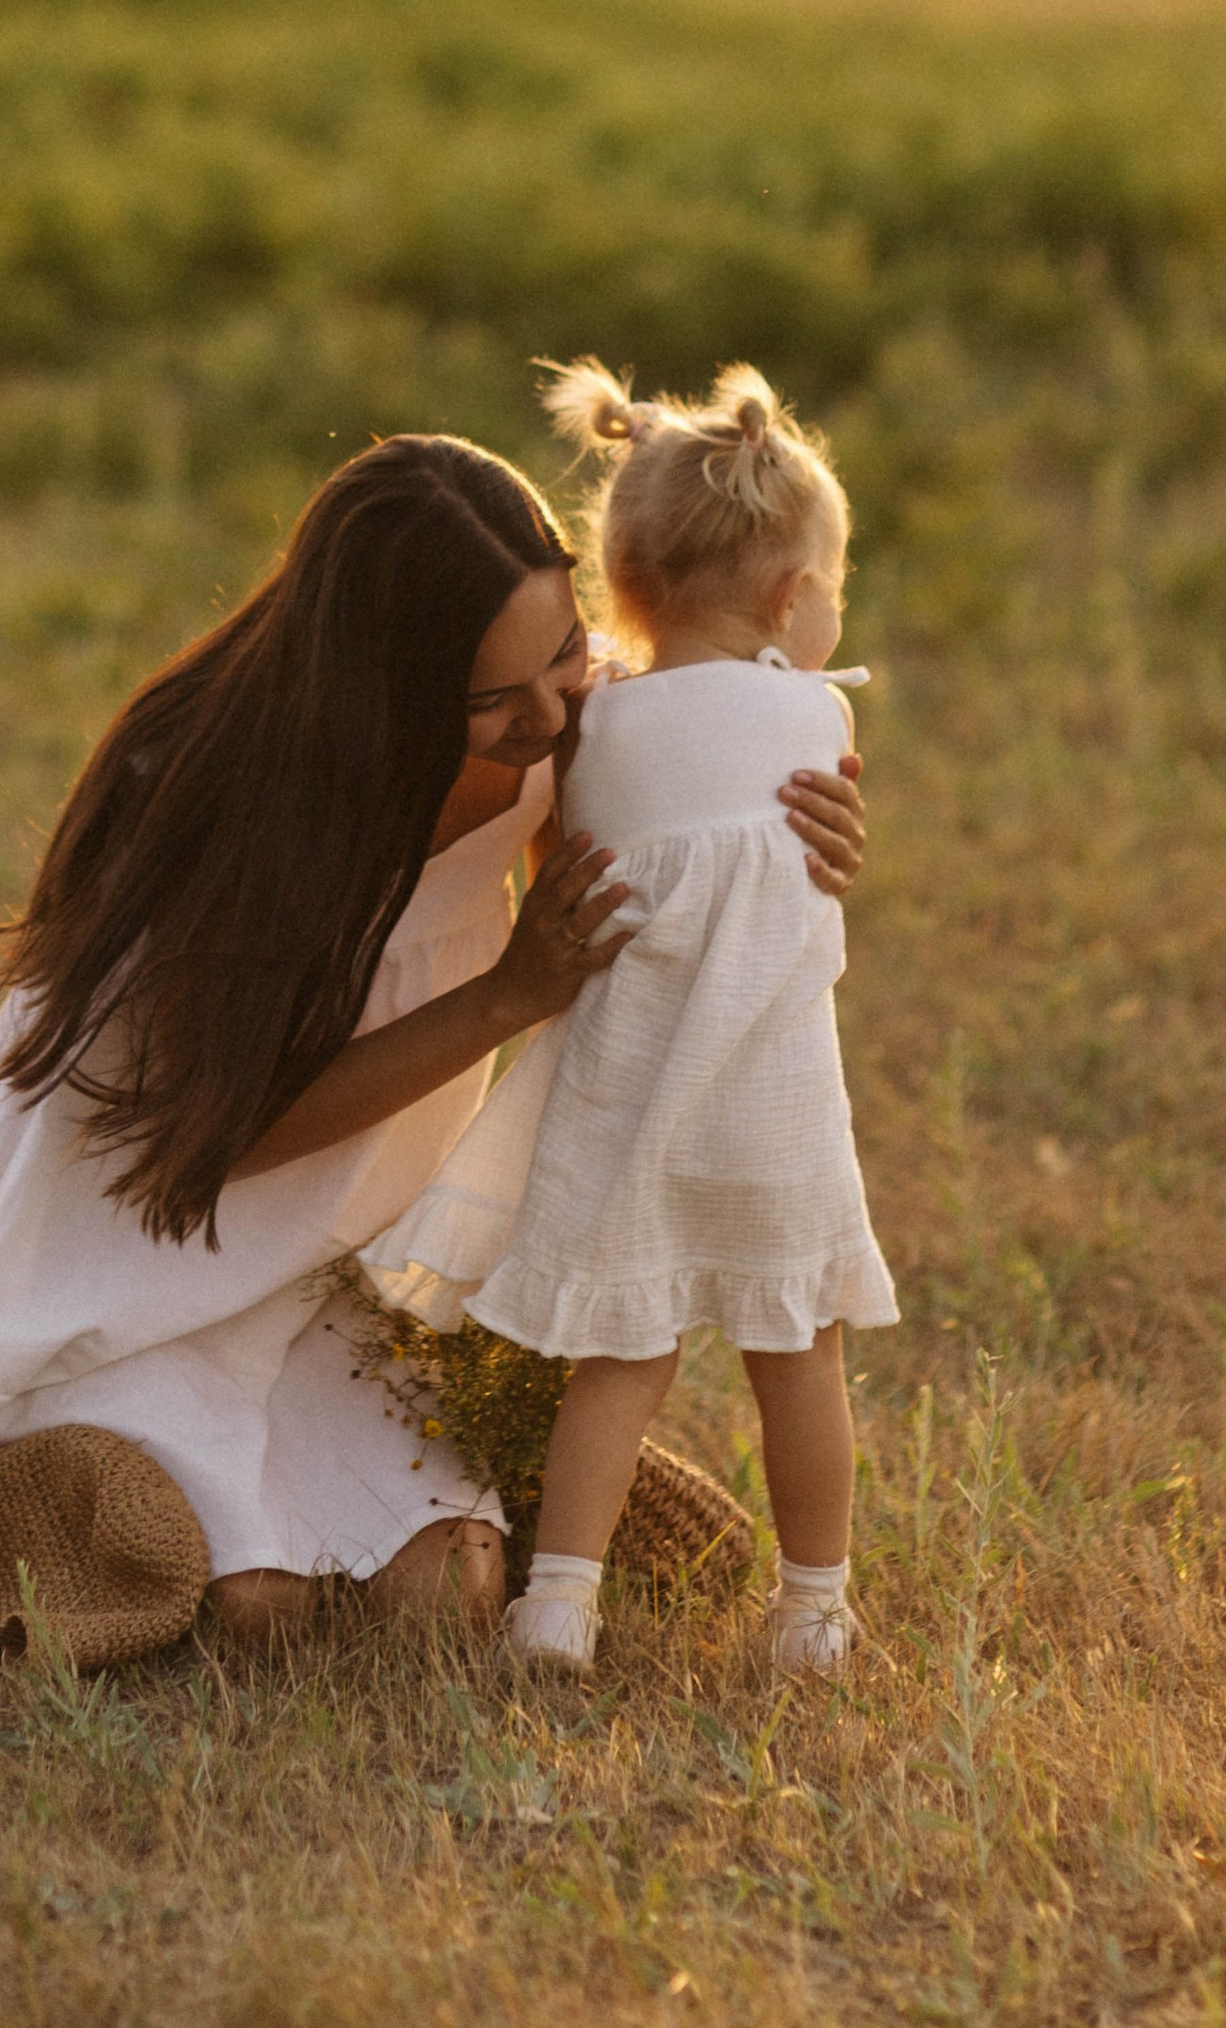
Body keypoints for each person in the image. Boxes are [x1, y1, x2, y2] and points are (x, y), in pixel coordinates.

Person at [0, 425, 867, 1644]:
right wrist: (498, 997)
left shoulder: (566, 719)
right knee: (258, 1605)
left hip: (341, 1256)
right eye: (493, 699)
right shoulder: (234, 804)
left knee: (449, 1594)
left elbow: (654, 880)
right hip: (142, 1250)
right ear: (386, 685)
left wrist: (790, 850)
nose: (548, 714)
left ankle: (358, 1504)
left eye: (563, 656)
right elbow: (223, 1140)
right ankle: (66, 1488)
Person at [363, 365, 896, 1681]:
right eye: (831, 590)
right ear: (787, 598)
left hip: (629, 1102)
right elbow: (805, 916)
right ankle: (814, 1609)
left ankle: (559, 1603)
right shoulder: (817, 714)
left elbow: (572, 880)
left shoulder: (590, 725)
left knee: (619, 1360)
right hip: (771, 1107)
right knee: (800, 1359)